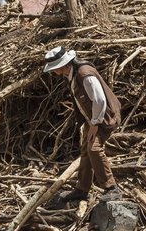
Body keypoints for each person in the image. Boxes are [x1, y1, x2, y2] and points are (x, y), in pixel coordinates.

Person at [44, 47, 122, 203]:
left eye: (54, 69)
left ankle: (111, 188)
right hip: (93, 118)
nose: (53, 72)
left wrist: (94, 124)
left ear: (61, 66)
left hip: (104, 118)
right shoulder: (72, 73)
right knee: (86, 149)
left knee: (94, 148)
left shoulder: (85, 75)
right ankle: (82, 188)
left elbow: (99, 101)